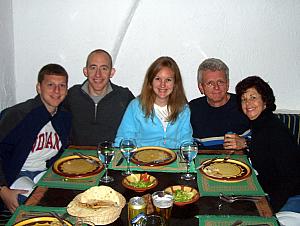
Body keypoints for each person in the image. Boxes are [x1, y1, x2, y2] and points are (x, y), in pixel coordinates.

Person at [0, 64, 71, 212]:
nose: (57, 91)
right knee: (36, 204)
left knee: (67, 200)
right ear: (39, 87)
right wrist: (2, 189)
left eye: (62, 85)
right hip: (16, 174)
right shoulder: (18, 115)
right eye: (50, 85)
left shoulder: (64, 117)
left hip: (45, 173)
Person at [235, 75, 300, 213]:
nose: (248, 103)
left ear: (265, 101)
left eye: (253, 97)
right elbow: (266, 153)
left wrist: (269, 210)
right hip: (274, 192)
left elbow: (290, 178)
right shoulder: (262, 124)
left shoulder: (273, 130)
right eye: (243, 99)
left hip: (292, 199)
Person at [114, 56, 193, 148]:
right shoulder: (136, 106)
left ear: (175, 83)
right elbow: (124, 140)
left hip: (173, 160)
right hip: (142, 159)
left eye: (168, 80)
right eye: (158, 79)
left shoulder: (183, 109)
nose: (162, 85)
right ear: (150, 81)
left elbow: (186, 141)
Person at [64, 49, 135, 146]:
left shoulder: (124, 97)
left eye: (104, 68)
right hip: (77, 156)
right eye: (93, 68)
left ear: (112, 72)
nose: (98, 74)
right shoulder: (72, 95)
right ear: (86, 71)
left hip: (112, 157)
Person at [189, 58, 250, 150]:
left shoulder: (245, 104)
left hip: (241, 162)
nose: (216, 87)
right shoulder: (192, 109)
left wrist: (246, 143)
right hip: (204, 163)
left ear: (228, 84)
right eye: (210, 83)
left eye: (220, 82)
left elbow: (267, 138)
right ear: (201, 87)